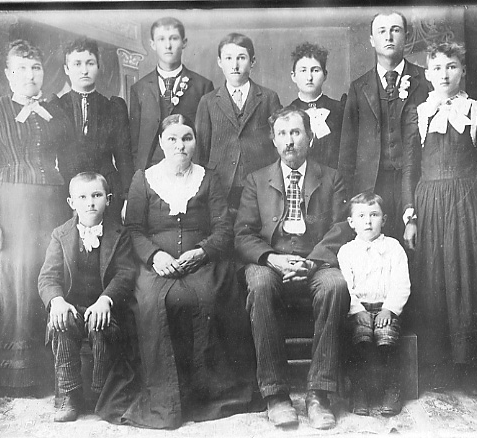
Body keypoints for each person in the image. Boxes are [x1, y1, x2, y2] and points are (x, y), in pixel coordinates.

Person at [98, 114, 258, 429]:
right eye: (172, 139)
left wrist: (202, 252)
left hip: (203, 261)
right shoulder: (144, 179)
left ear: (195, 143)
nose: (179, 145)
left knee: (208, 297)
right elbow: (134, 229)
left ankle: (208, 394)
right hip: (155, 265)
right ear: (161, 142)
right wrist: (154, 255)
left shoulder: (208, 178)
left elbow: (224, 229)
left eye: (187, 138)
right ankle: (164, 397)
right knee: (152, 303)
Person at [0, 40, 75, 395]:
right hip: (11, 210)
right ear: (8, 74)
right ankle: (11, 378)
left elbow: (68, 161)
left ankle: (49, 373)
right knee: (13, 283)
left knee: (44, 279)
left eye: (36, 68)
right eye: (21, 69)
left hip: (51, 208)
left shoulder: (55, 112)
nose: (30, 75)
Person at [234, 106, 349, 430]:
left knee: (335, 285)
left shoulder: (332, 177)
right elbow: (242, 233)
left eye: (296, 133)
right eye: (282, 134)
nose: (289, 141)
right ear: (273, 140)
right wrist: (272, 258)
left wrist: (312, 262)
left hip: (316, 261)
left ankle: (319, 395)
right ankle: (276, 395)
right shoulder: (256, 180)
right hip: (272, 261)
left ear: (310, 137)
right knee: (259, 284)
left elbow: (342, 227)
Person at [401, 42, 477, 394]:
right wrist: (410, 216)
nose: (444, 74)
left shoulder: (474, 109)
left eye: (452, 66)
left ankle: (468, 367)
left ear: (463, 71)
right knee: (432, 279)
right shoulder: (419, 113)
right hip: (429, 203)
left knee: (466, 278)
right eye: (438, 68)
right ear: (427, 74)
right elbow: (409, 168)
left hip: (464, 203)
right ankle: (437, 368)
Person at [38, 172, 136, 422]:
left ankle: (102, 394)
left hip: (104, 308)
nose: (90, 203)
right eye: (82, 197)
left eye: (96, 195)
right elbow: (48, 277)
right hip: (71, 308)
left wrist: (106, 300)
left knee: (99, 324)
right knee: (61, 322)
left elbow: (125, 274)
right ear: (71, 202)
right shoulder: (60, 235)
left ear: (108, 199)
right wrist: (57, 301)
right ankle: (68, 396)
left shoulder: (120, 234)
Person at [338, 11, 431, 242]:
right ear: (372, 40)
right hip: (372, 184)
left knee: (416, 245)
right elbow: (348, 147)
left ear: (406, 36)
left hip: (416, 181)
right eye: (382, 31)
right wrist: (348, 194)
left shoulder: (426, 80)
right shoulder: (359, 87)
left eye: (395, 30)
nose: (388, 37)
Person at [337, 192, 410, 417]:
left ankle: (392, 388)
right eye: (361, 216)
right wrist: (357, 310)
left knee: (386, 339)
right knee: (360, 339)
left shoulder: (394, 248)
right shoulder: (346, 251)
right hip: (358, 310)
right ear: (351, 222)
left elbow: (401, 283)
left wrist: (389, 308)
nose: (368, 222)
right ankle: (359, 389)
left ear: (384, 219)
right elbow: (346, 286)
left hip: (386, 308)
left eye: (374, 215)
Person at [195, 32, 281, 214]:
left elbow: (278, 144)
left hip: (259, 181)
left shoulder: (268, 97)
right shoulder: (208, 101)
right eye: (228, 58)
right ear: (220, 62)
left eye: (241, 58)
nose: (234, 65)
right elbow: (201, 150)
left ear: (252, 61)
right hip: (220, 183)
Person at [56, 38, 133, 221]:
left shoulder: (113, 107)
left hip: (106, 189)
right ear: (67, 69)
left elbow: (124, 157)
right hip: (67, 191)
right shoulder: (56, 107)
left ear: (98, 66)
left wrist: (127, 198)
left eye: (90, 63)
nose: (84, 70)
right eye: (77, 64)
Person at [131, 17, 214, 170]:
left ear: (184, 42)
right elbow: (135, 142)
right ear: (152, 44)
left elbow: (206, 139)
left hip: (189, 169)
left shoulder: (202, 86)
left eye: (174, 38)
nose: (168, 45)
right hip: (151, 169)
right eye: (161, 39)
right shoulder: (139, 88)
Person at [289, 42, 345, 169]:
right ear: (293, 76)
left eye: (315, 70)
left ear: (325, 75)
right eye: (303, 70)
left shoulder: (339, 110)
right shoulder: (287, 113)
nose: (309, 77)